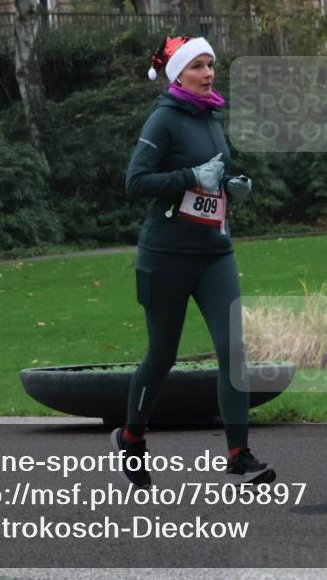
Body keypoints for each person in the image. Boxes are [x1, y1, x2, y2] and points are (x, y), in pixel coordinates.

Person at [110, 35, 275, 489]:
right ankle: (131, 435)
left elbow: (216, 174)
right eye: (198, 66)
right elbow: (135, 182)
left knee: (234, 349)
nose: (208, 73)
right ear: (177, 74)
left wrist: (231, 185)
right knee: (162, 356)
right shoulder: (163, 119)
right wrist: (189, 178)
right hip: (166, 256)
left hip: (215, 253)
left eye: (211, 65)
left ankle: (239, 455)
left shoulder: (212, 117)